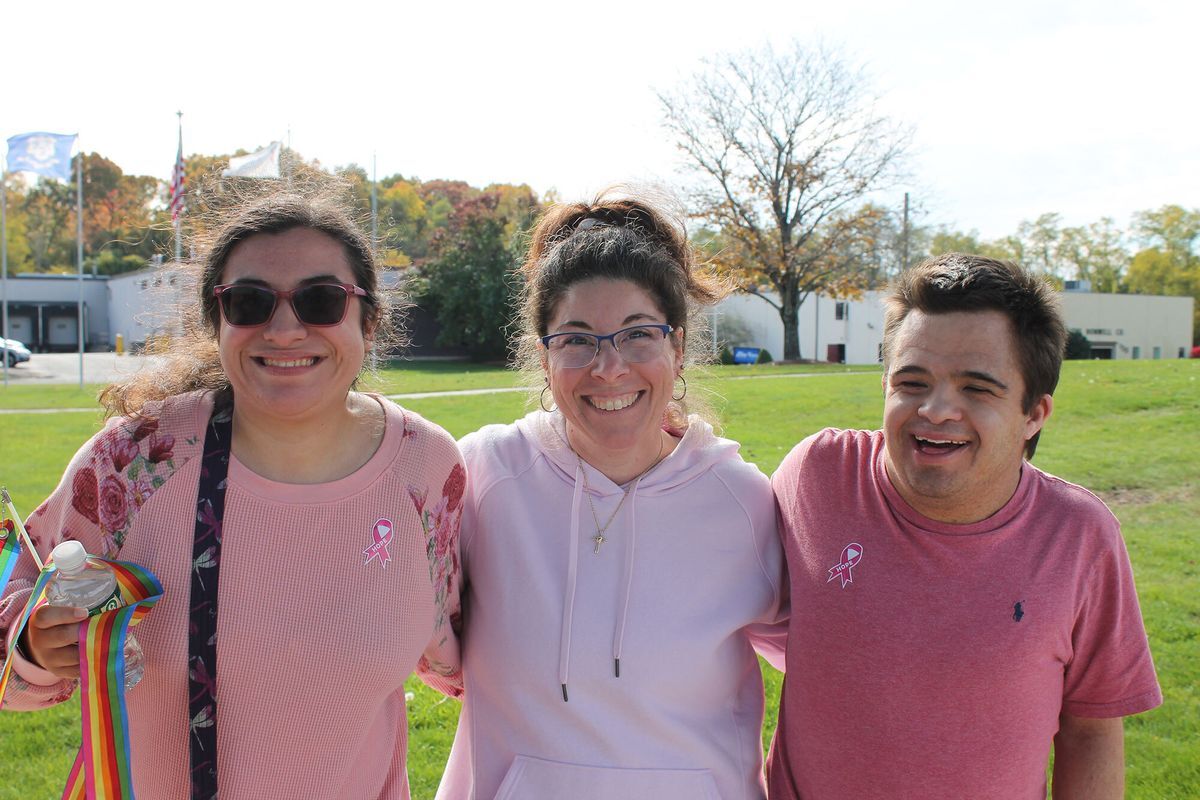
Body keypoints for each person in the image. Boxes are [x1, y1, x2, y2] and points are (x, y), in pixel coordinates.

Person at [0, 188, 464, 799]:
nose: (284, 327)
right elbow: (16, 656)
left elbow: (455, 648)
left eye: (321, 300)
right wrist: (37, 645)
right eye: (249, 302)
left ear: (368, 320)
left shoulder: (425, 466)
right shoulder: (135, 461)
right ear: (218, 321)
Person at [427, 191, 786, 799]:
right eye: (577, 340)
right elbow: (413, 627)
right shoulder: (486, 474)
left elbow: (832, 661)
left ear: (676, 347)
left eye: (637, 334)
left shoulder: (741, 501)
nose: (609, 367)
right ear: (543, 357)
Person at [766, 253, 1162, 799]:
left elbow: (1091, 729)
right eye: (911, 381)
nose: (936, 409)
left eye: (977, 389)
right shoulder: (817, 475)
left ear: (1035, 414)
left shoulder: (1079, 536)